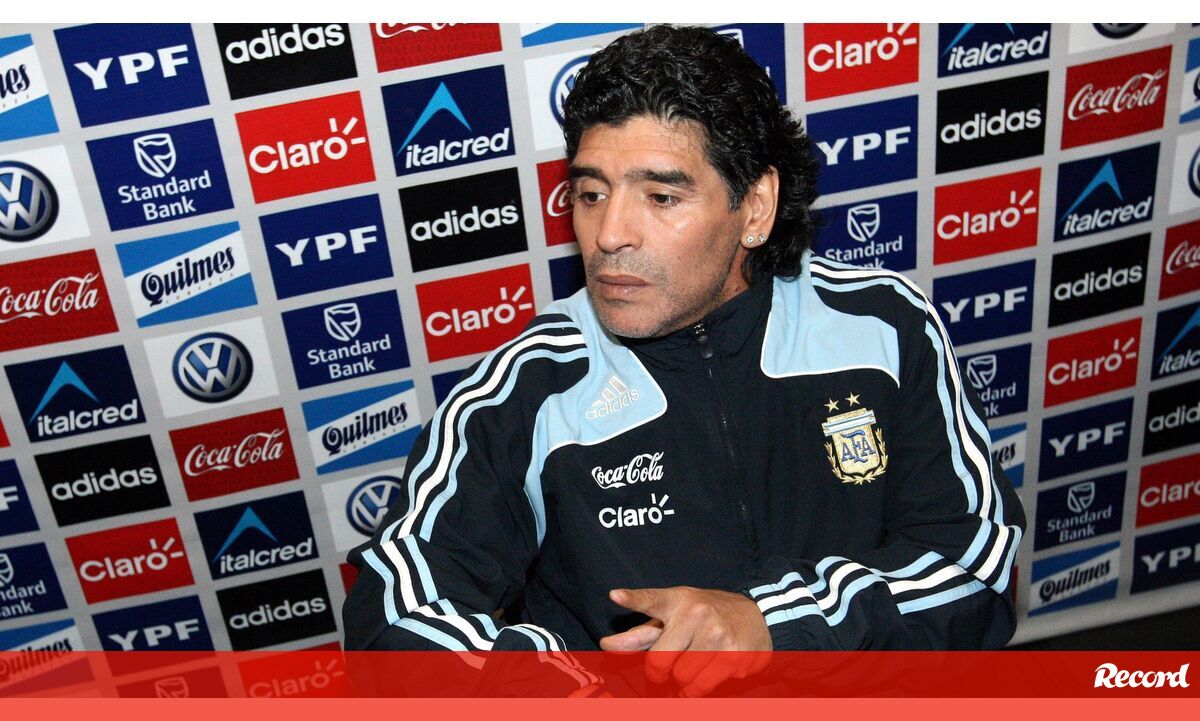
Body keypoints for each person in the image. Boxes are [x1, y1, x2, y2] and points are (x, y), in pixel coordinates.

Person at [343, 24, 1025, 696]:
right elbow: (394, 618)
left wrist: (774, 624)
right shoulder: (529, 388)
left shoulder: (882, 326)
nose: (610, 234)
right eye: (591, 193)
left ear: (754, 208)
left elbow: (976, 569)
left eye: (661, 196)